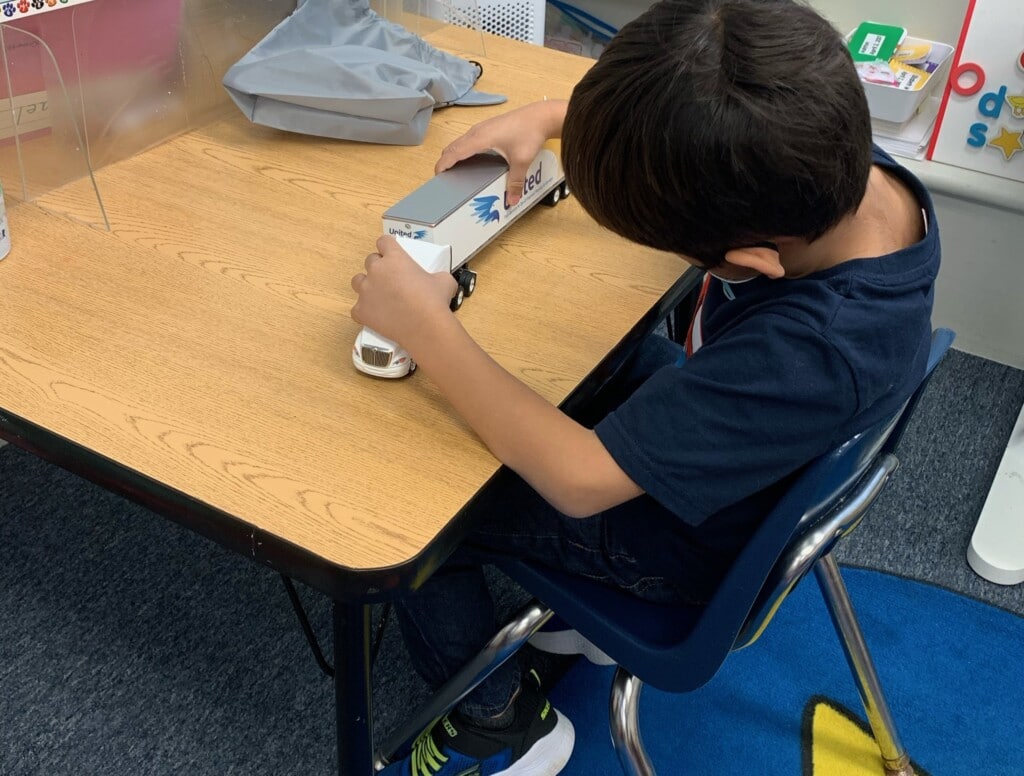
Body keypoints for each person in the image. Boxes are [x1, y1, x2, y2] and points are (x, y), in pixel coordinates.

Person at [351, 1, 941, 773]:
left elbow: (580, 481)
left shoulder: (813, 353)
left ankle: (495, 721)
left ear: (753, 260)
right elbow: (708, 111)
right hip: (729, 461)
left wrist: (427, 328)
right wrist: (561, 116)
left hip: (677, 543)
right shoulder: (843, 168)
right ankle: (569, 621)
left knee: (407, 492)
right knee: (577, 365)